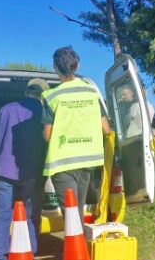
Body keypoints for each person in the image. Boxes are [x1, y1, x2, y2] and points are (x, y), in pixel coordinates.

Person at [0, 78, 50, 260]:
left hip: (4, 172)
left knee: (2, 217)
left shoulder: (6, 109)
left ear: (26, 92)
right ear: (43, 95)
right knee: (30, 218)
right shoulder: (44, 113)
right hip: (32, 174)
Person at [42, 46, 112, 216]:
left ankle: (77, 242)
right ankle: (80, 242)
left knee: (72, 215)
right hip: (87, 162)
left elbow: (47, 135)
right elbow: (106, 129)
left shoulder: (52, 96)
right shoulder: (92, 93)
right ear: (77, 66)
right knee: (77, 212)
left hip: (63, 164)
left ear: (55, 68)